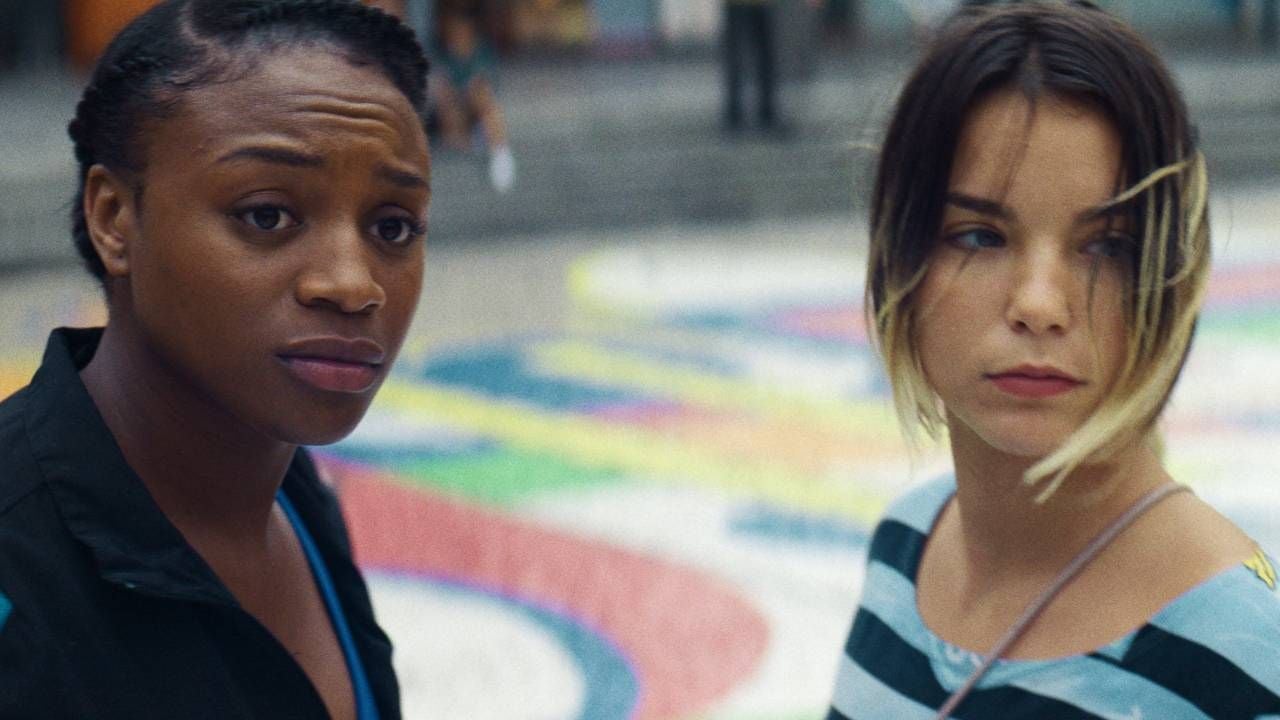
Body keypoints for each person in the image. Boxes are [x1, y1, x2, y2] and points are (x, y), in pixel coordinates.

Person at [827, 2, 1280, 718]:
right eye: (979, 236)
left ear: (1173, 274)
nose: (1039, 304)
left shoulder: (1239, 655)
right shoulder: (906, 543)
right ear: (897, 254)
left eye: (1108, 245)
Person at [0, 1, 431, 718]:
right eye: (267, 215)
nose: (354, 284)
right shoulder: (19, 574)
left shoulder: (296, 494)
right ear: (114, 219)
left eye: (392, 227)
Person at [430, 2, 515, 193]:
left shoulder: (482, 53)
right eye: (454, 31)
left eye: (461, 31)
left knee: (481, 95)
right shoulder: (443, 55)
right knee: (444, 93)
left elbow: (486, 86)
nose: (458, 36)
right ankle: (464, 140)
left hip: (476, 110)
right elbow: (440, 85)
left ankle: (500, 152)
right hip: (452, 112)